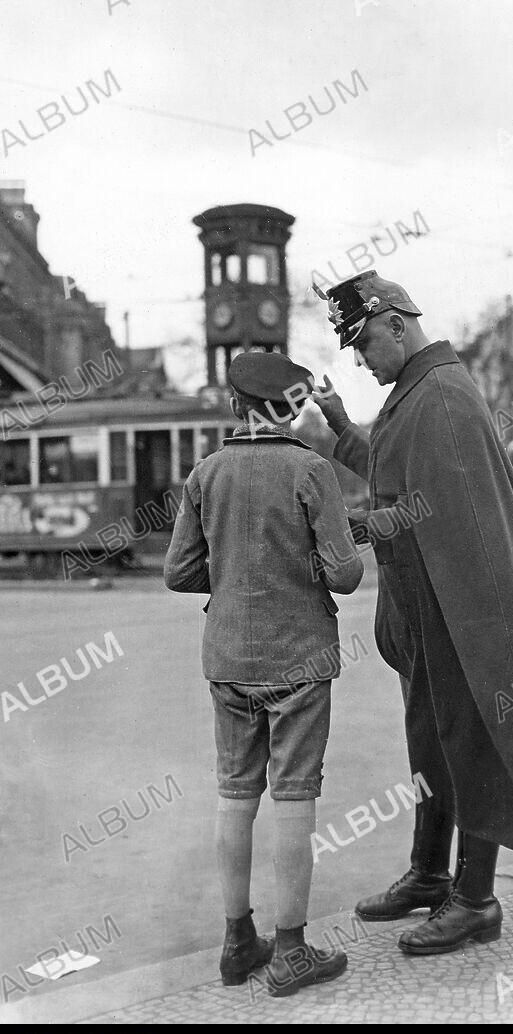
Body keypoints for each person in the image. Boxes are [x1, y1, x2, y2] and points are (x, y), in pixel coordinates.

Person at [311, 271, 513, 956]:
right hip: (430, 615)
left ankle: (474, 898)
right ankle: (430, 873)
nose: (361, 359)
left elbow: (448, 518)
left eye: (364, 343)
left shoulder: (443, 397)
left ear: (397, 323)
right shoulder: (418, 394)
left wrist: (359, 522)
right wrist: (341, 427)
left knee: (474, 748)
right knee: (433, 747)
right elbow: (395, 465)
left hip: (466, 620)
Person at [164, 351, 363, 995]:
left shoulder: (205, 474)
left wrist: (230, 576)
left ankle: (236, 942)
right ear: (291, 409)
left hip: (227, 660)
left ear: (235, 407)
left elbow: (179, 573)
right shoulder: (311, 468)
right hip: (299, 659)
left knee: (235, 795)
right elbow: (345, 575)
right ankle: (292, 951)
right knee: (295, 796)